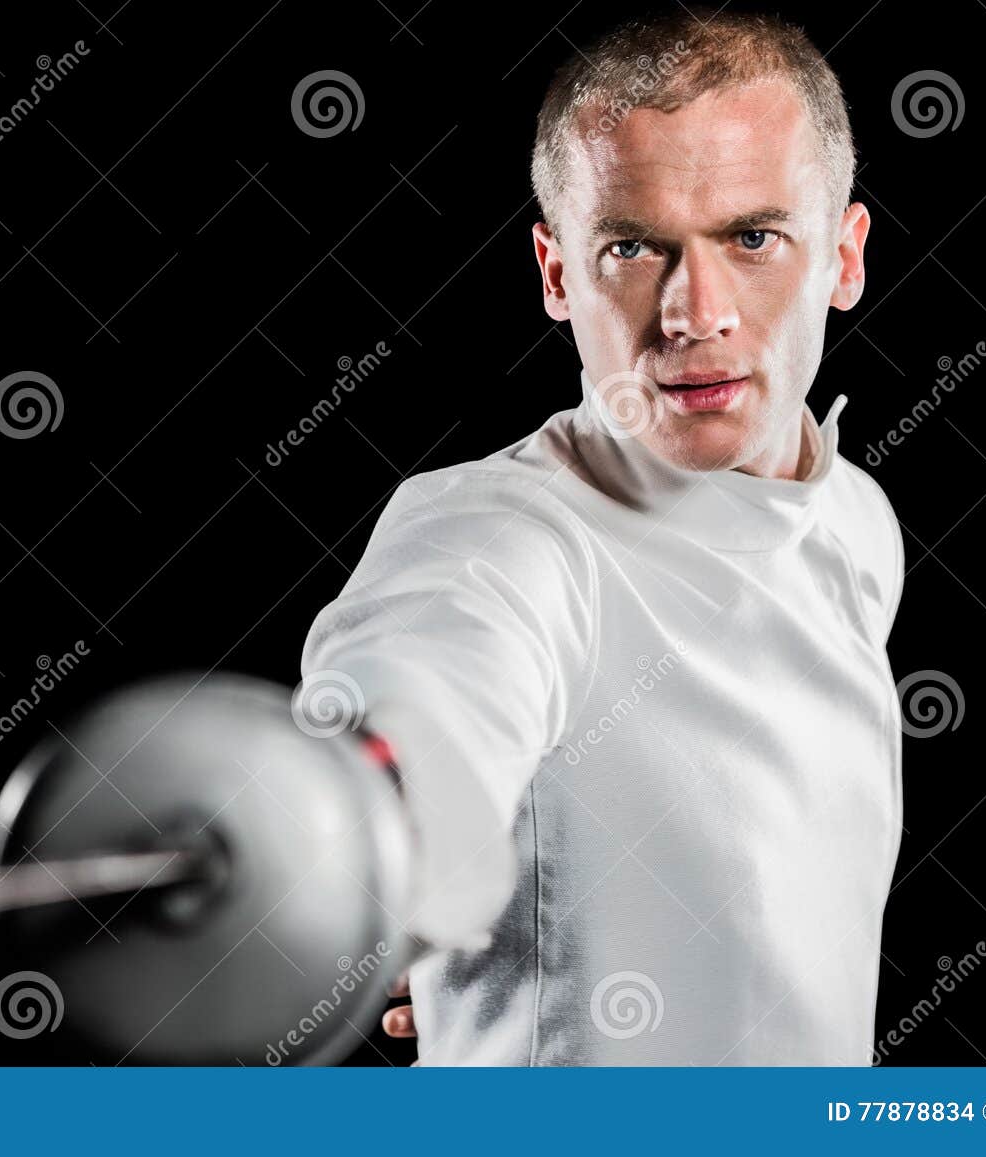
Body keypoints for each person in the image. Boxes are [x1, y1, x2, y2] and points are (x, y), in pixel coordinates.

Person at [300, 7, 903, 1065]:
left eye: (751, 238)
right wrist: (377, 863)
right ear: (557, 273)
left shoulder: (856, 518)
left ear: (843, 258)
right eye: (631, 247)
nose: (693, 312)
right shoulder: (505, 533)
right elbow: (422, 697)